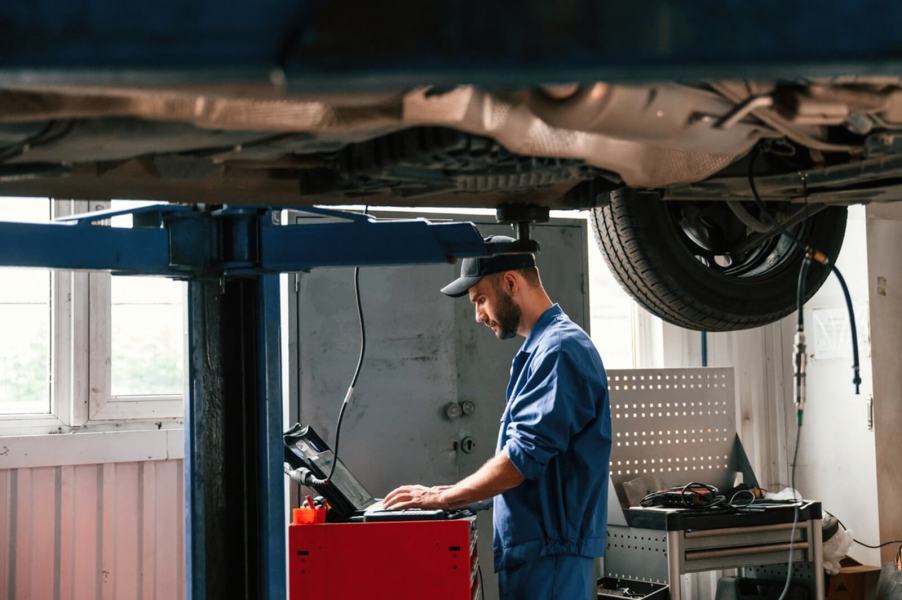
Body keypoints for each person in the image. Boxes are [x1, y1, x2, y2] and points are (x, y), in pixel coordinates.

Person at [384, 236, 612, 600]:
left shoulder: (560, 350)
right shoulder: (539, 351)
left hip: (550, 558)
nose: (477, 315)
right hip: (535, 554)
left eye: (479, 300)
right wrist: (450, 494)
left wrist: (443, 499)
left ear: (509, 283)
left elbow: (521, 461)